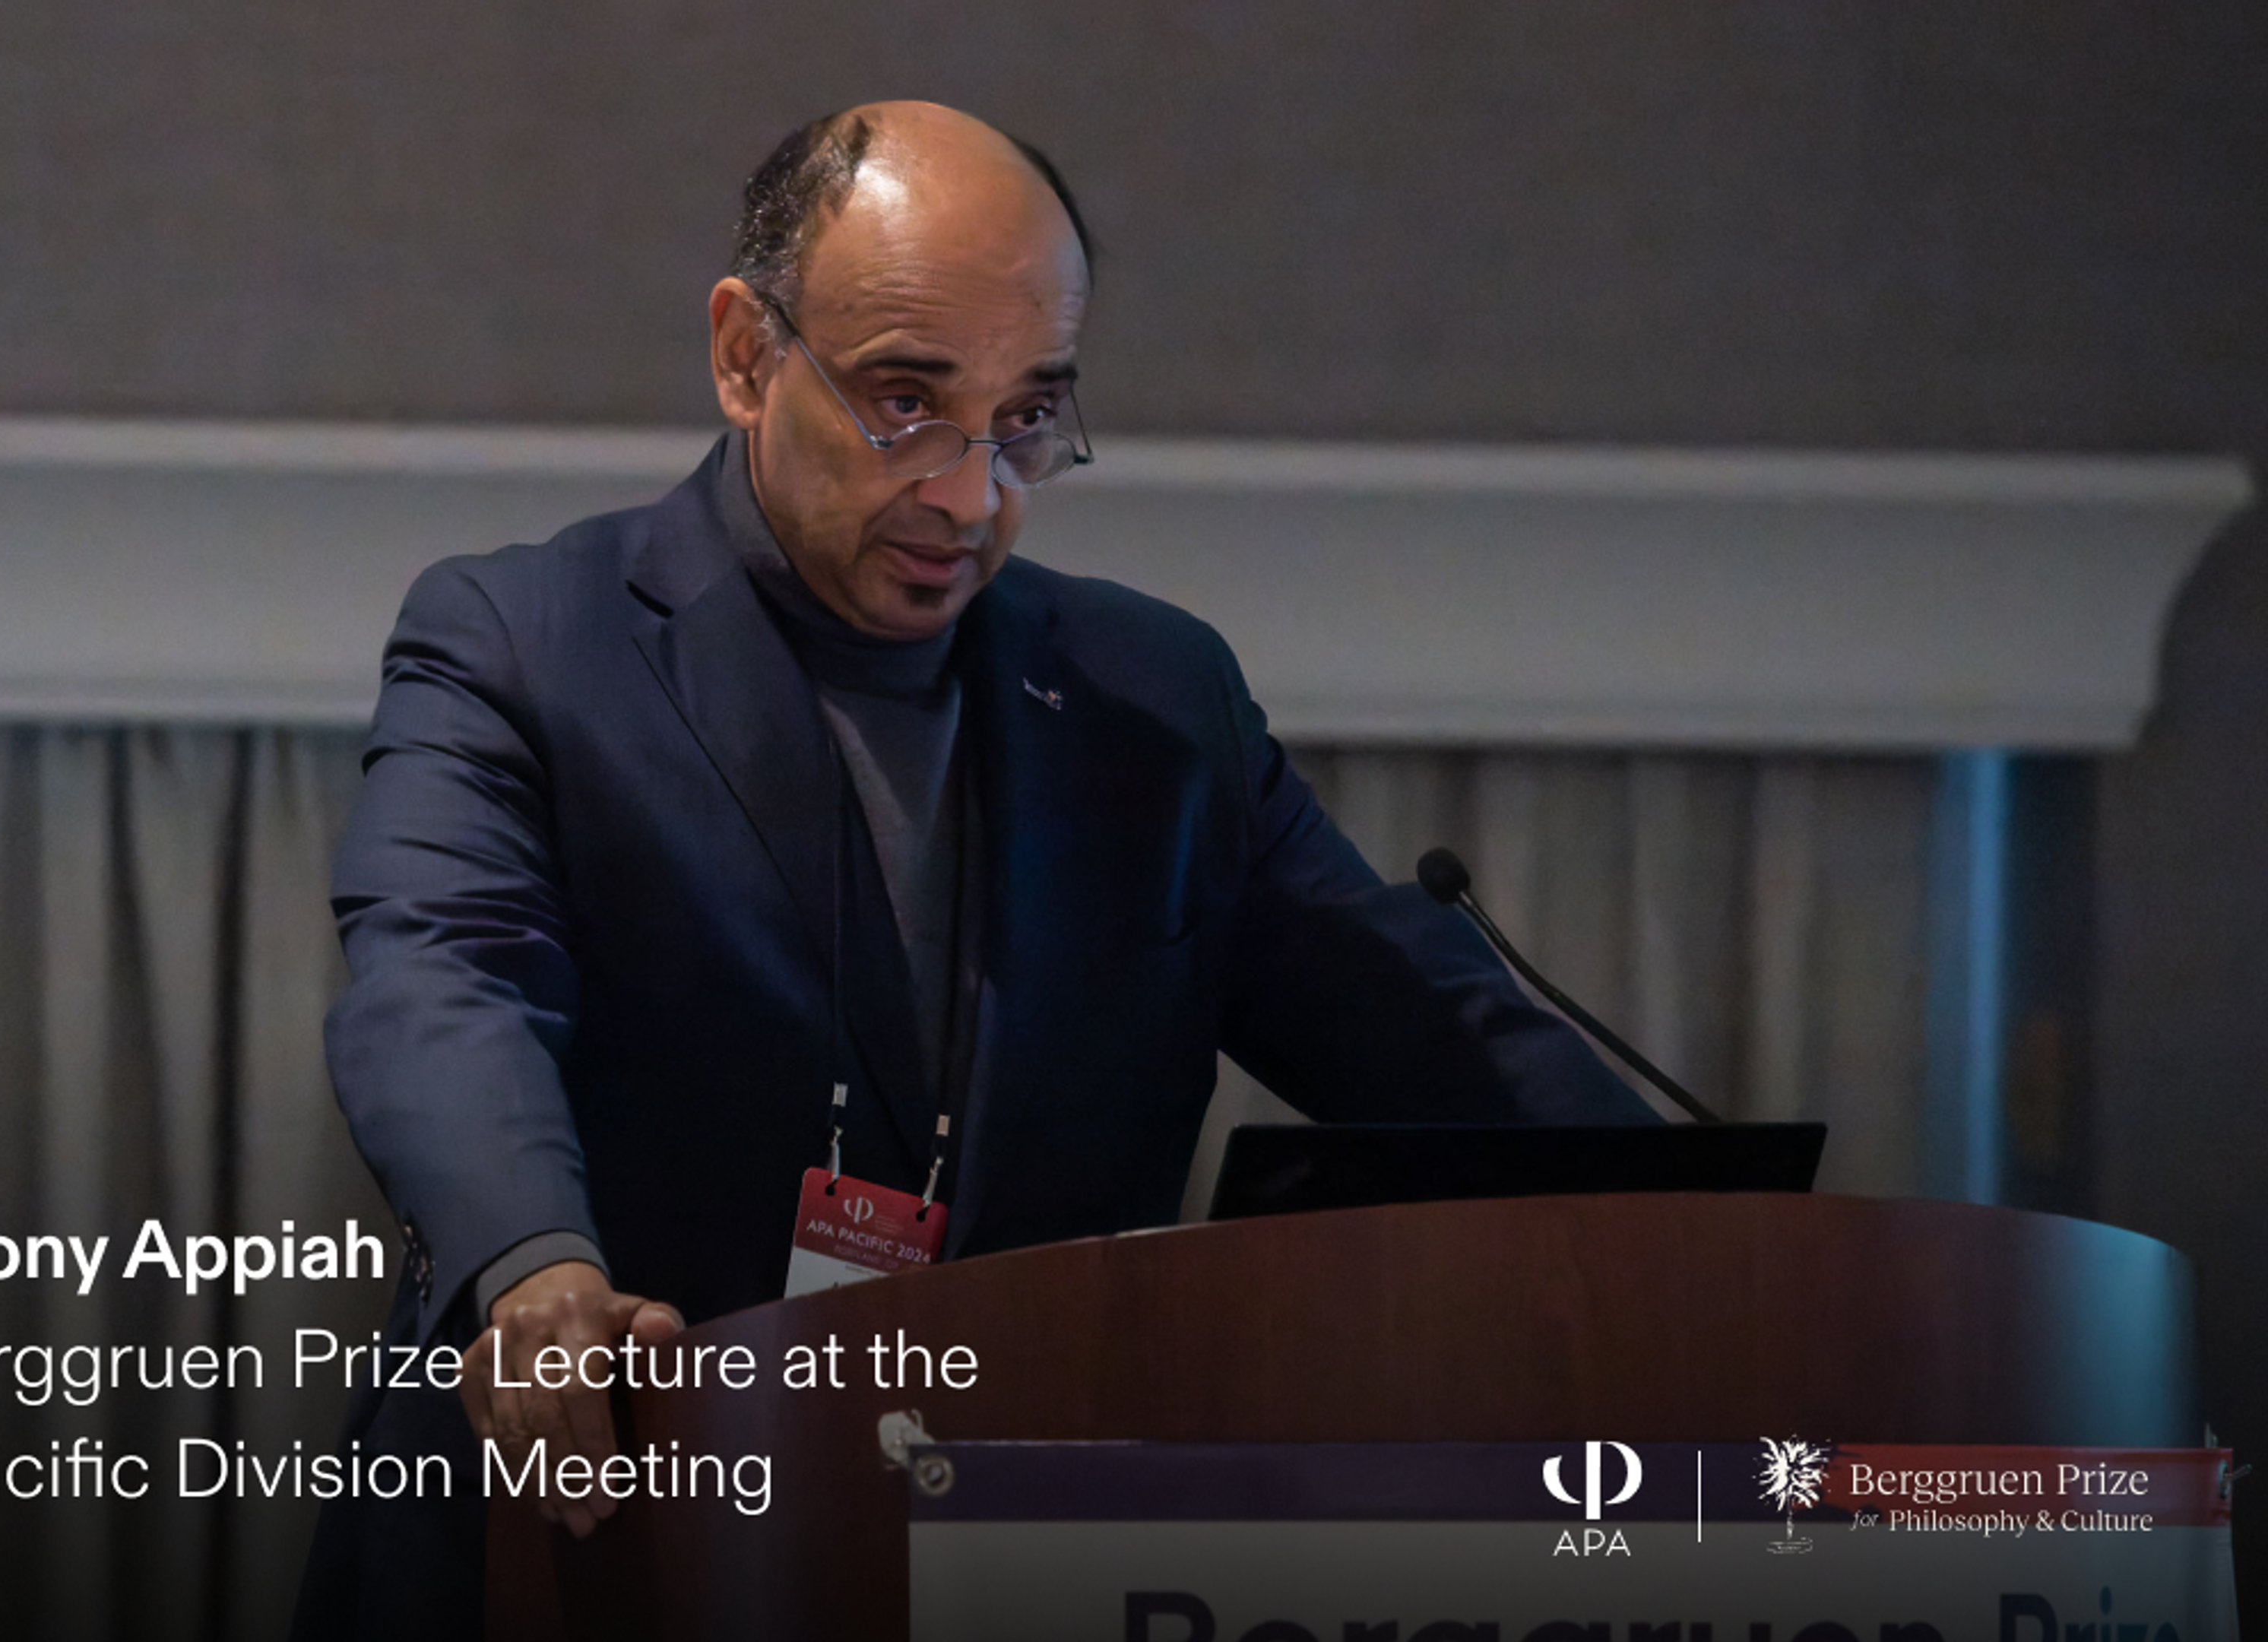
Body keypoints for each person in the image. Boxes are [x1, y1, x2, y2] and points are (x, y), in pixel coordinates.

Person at [293, 100, 1651, 1637]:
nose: (971, 493)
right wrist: (535, 1265)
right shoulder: (525, 644)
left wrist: (1727, 1231)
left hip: (992, 1561)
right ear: (745, 355)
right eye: (906, 404)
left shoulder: (1155, 700)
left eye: (1026, 419)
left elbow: (1417, 1027)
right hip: (591, 1542)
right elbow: (444, 982)